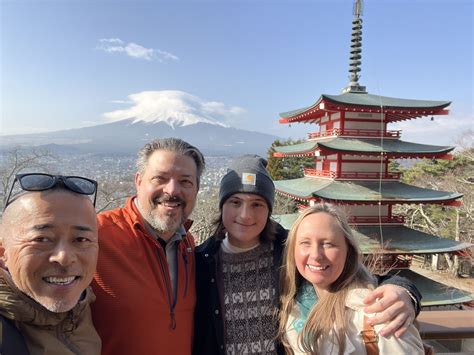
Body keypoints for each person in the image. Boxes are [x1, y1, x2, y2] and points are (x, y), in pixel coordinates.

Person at [194, 155, 421, 355]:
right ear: (222, 205)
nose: (245, 215)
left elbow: (355, 277)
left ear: (269, 211)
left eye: (257, 204)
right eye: (235, 202)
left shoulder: (288, 250)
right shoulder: (199, 261)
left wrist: (403, 291)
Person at [91, 138, 205, 355]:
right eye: (160, 178)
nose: (172, 190)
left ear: (197, 189)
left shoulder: (188, 246)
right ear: (139, 181)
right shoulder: (95, 237)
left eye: (185, 182)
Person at [279, 204, 425, 354]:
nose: (316, 255)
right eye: (305, 243)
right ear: (292, 250)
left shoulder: (381, 312)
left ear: (348, 251)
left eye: (328, 244)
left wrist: (405, 290)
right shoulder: (291, 299)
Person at [0, 173, 101, 355]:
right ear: (3, 251)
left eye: (81, 239)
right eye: (42, 239)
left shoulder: (87, 307)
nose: (64, 257)